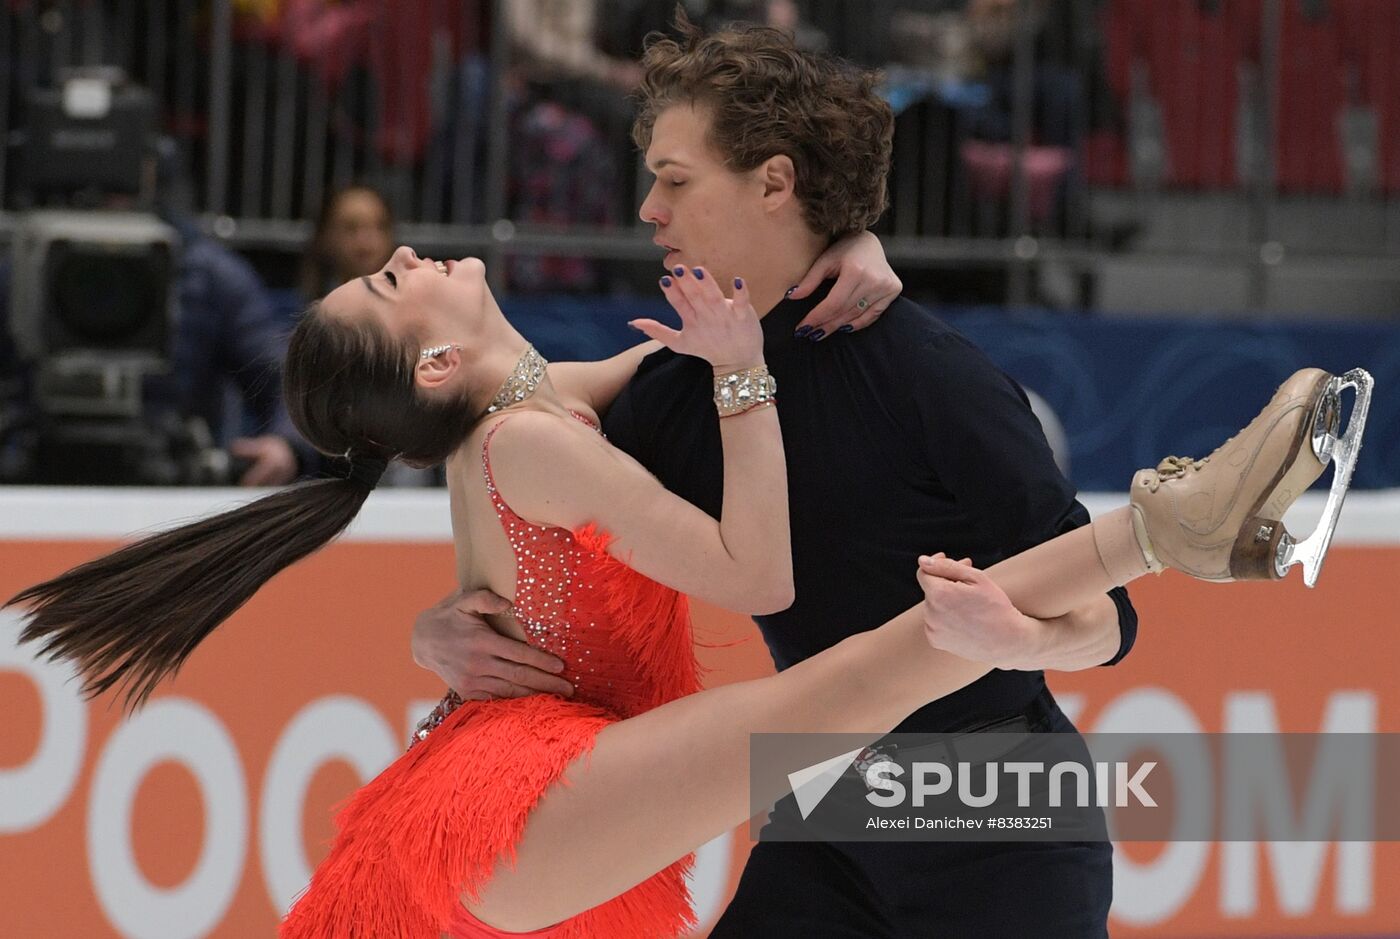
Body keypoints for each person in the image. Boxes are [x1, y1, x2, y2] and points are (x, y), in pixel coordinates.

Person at [8, 242, 1356, 937]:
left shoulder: (532, 417)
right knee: (859, 683)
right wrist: (743, 371)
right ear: (428, 365)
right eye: (388, 281)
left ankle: (1188, 529)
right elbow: (751, 566)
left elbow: (672, 384)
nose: (410, 257)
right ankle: (1183, 526)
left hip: (526, 787)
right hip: (523, 786)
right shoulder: (525, 433)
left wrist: (842, 271)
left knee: (869, 684)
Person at [298, 183, 396, 302]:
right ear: (325, 235)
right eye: (350, 227)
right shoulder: (298, 312)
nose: (365, 243)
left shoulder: (413, 310)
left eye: (380, 226)